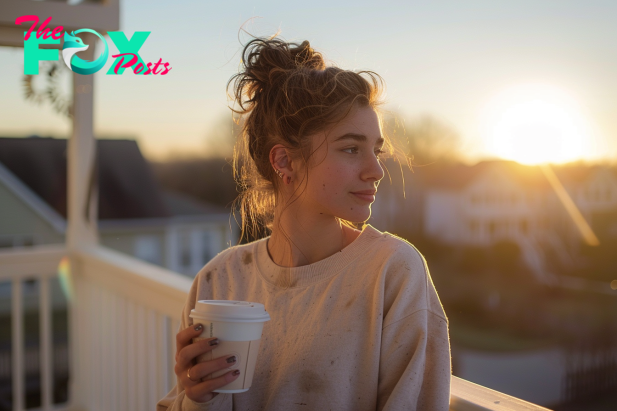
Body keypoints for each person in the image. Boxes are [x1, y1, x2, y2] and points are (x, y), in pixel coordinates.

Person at [156, 36, 451, 411]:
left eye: (376, 150)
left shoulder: (391, 273)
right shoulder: (219, 281)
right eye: (350, 148)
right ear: (284, 161)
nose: (376, 170)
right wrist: (197, 398)